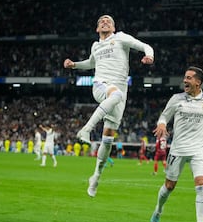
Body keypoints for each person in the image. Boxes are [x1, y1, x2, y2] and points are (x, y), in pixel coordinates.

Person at [63, 14, 154, 197]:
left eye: (108, 21)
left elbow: (145, 46)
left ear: (113, 27)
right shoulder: (95, 45)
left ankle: (96, 176)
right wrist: (74, 65)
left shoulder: (121, 38)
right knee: (116, 94)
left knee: (108, 138)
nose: (105, 22)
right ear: (97, 29)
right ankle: (86, 129)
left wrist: (149, 55)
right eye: (101, 21)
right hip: (101, 85)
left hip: (119, 92)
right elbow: (90, 64)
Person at [150, 66, 203, 222]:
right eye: (185, 77)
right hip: (178, 148)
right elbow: (164, 116)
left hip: (199, 148)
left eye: (189, 78)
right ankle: (158, 210)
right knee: (169, 186)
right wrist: (162, 124)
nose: (185, 80)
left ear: (198, 82)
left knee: (200, 183)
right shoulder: (176, 99)